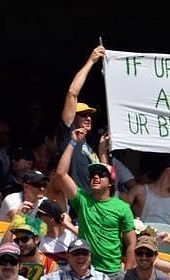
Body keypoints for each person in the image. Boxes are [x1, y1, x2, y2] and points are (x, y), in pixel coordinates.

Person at [56, 126, 136, 277]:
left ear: (111, 183)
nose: (96, 177)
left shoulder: (123, 207)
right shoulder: (82, 200)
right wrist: (72, 142)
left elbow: (132, 243)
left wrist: (127, 275)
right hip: (85, 272)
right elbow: (61, 174)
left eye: (101, 174)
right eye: (93, 174)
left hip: (113, 273)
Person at [57, 45, 105, 192]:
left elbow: (104, 176)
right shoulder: (68, 134)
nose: (89, 118)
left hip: (93, 206)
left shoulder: (89, 145)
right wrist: (91, 61)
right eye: (84, 115)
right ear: (73, 117)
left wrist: (102, 150)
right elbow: (72, 93)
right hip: (76, 206)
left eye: (90, 115)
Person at [129, 156, 170, 230]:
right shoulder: (140, 191)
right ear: (169, 169)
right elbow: (120, 212)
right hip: (144, 240)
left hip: (168, 240)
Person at [10, 214, 59, 280]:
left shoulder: (51, 266)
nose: (20, 244)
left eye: (24, 239)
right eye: (17, 240)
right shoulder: (10, 261)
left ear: (36, 239)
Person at [36, 199, 78, 265]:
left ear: (50, 218)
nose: (38, 218)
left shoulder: (73, 233)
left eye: (39, 214)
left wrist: (69, 225)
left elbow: (91, 241)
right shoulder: (38, 238)